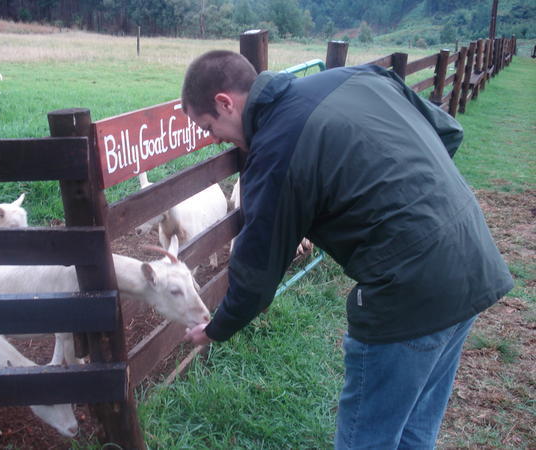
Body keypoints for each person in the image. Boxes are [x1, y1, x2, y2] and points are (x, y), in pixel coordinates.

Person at [181, 50, 513, 449]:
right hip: (473, 258)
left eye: (208, 127)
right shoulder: (358, 77)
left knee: (367, 440)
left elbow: (257, 268)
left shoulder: (277, 146)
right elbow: (448, 131)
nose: (214, 140)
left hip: (409, 293)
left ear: (225, 102)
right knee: (412, 432)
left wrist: (216, 327)